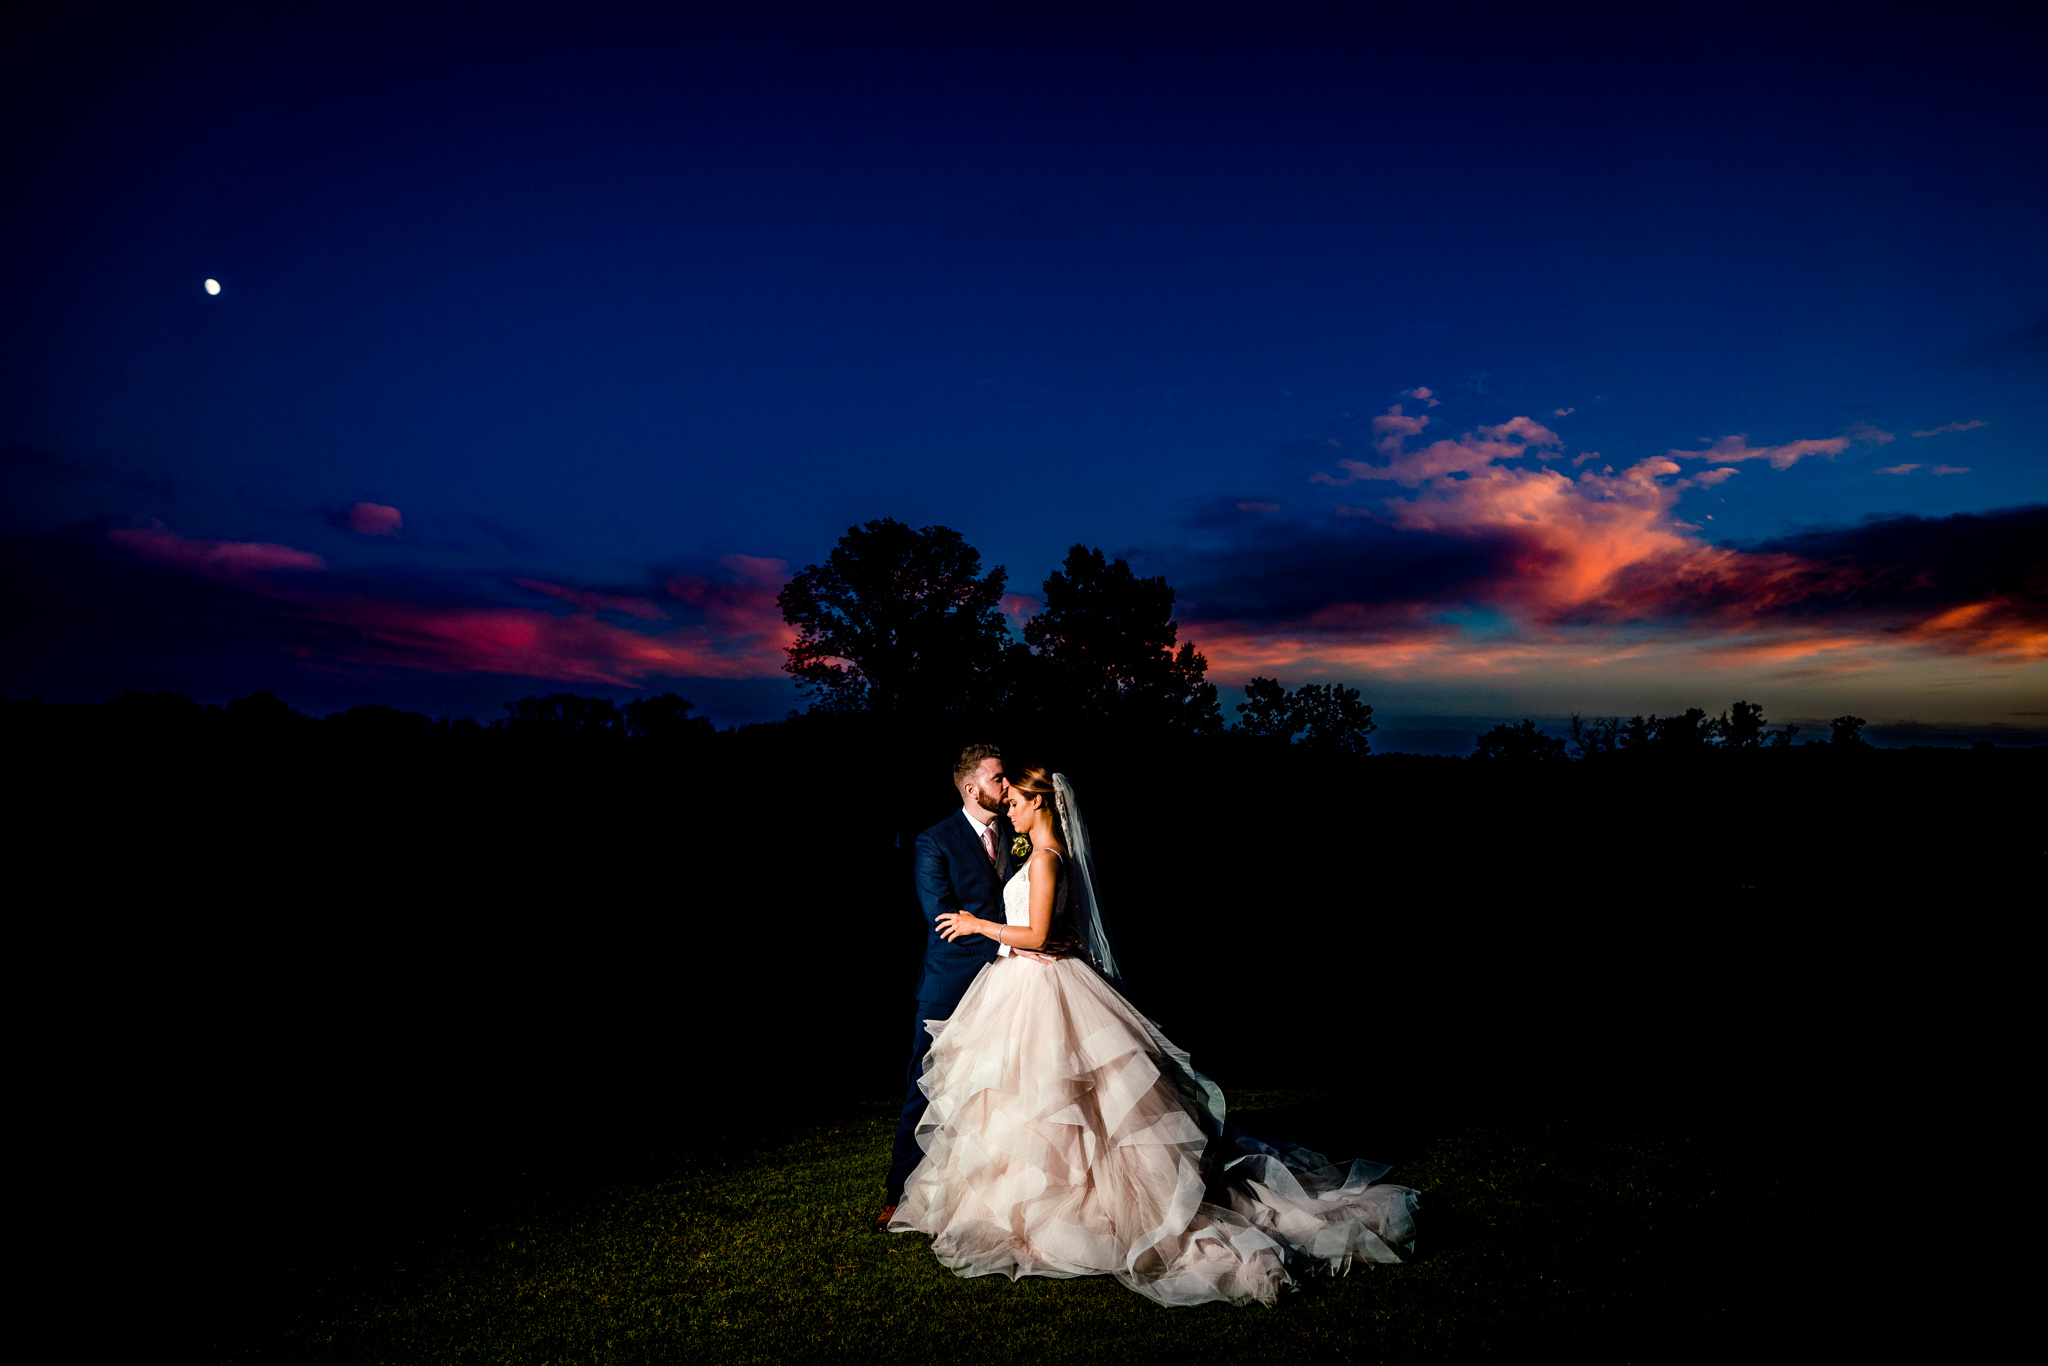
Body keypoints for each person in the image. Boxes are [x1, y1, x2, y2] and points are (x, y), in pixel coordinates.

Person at [888, 766, 1419, 1308]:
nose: (1012, 809)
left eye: (1019, 801)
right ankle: (1026, 1203)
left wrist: (981, 927)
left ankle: (1076, 1212)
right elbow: (1048, 929)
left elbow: (1040, 934)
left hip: (1040, 984)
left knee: (1058, 1102)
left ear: (1042, 805)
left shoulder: (1045, 859)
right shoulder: (1041, 856)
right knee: (1036, 1101)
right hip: (1028, 980)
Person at [874, 744, 1022, 1233]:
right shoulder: (933, 841)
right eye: (998, 779)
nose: (1007, 786)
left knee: (1004, 1086)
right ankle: (898, 1195)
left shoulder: (1019, 833)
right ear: (971, 787)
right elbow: (943, 918)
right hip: (952, 984)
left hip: (1014, 983)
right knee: (925, 1085)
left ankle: (994, 1189)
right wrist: (1008, 948)